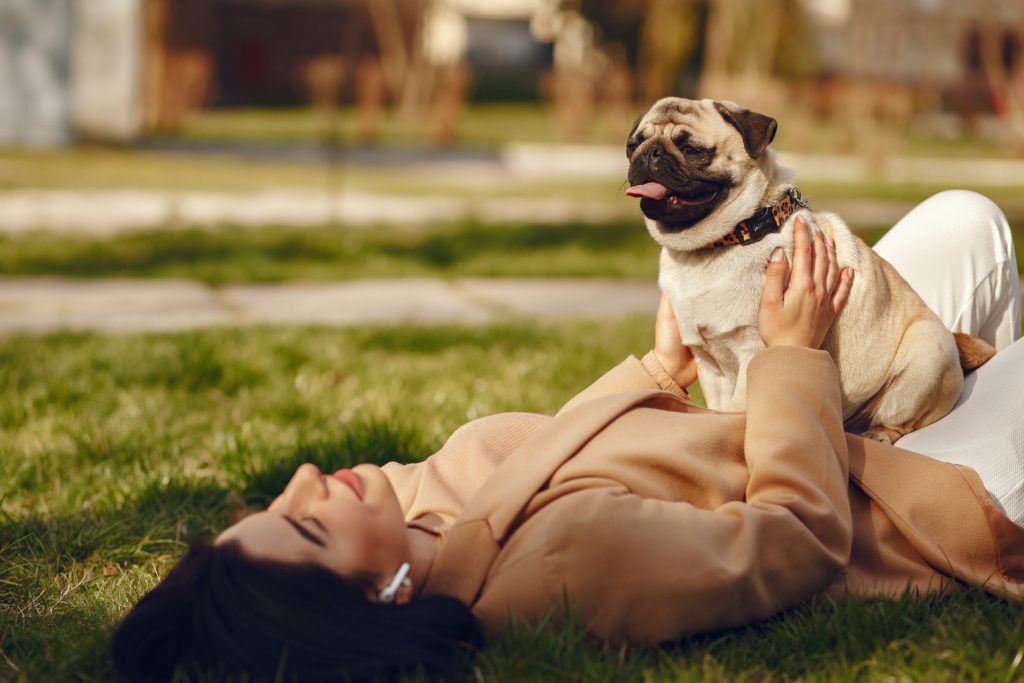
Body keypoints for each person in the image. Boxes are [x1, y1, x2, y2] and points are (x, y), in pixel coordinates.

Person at [113, 190, 1024, 682]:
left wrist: (664, 367)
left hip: (844, 424)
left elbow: (562, 449)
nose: (309, 476)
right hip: (909, 502)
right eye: (307, 522)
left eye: (279, 498)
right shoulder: (555, 573)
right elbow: (797, 538)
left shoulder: (418, 510)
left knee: (965, 222)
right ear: (379, 599)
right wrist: (792, 355)